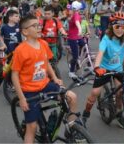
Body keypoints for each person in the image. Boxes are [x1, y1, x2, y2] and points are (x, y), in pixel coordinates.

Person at [12, 15, 78, 143]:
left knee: (71, 97)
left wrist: (55, 78)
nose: (39, 28)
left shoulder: (43, 44)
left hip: (45, 85)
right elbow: (14, 75)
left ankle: (72, 130)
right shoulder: (20, 50)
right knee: (32, 127)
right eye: (34, 26)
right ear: (25, 31)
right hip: (29, 91)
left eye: (39, 25)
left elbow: (46, 63)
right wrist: (21, 98)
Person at [80, 12, 124, 126]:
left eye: (123, 27)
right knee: (95, 92)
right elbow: (100, 54)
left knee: (120, 92)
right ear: (111, 26)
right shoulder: (106, 39)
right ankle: (85, 115)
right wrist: (96, 67)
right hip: (104, 70)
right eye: (117, 26)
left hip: (118, 69)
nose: (120, 30)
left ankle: (119, 112)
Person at [66, 0, 85, 80]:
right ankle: (71, 71)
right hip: (73, 38)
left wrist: (82, 32)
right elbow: (77, 23)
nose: (78, 10)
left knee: (84, 46)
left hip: (78, 37)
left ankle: (83, 62)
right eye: (77, 9)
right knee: (75, 56)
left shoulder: (75, 14)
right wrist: (80, 30)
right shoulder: (76, 15)